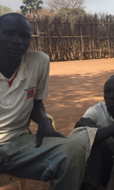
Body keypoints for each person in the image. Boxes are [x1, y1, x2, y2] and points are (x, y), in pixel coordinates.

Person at [0, 13, 86, 189]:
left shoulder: (39, 62)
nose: (18, 41)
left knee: (72, 152)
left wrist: (44, 120)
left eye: (25, 36)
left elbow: (36, 103)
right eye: (9, 33)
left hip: (19, 144)